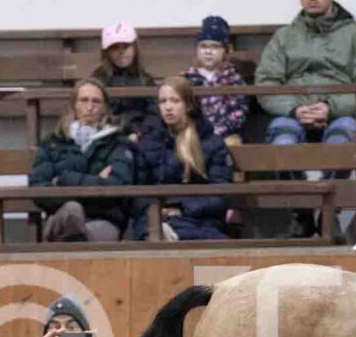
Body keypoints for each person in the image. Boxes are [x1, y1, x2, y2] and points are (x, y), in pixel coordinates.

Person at [257, 0, 356, 149]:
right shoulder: (283, 37)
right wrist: (295, 109)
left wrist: (331, 107)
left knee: (339, 147)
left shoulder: (355, 35)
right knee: (282, 143)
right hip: (292, 115)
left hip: (341, 115)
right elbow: (266, 84)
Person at [127, 77, 236, 241]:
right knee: (149, 232)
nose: (168, 107)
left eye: (175, 101)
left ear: (188, 105)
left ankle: (172, 234)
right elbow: (138, 192)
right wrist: (157, 211)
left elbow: (221, 193)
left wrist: (182, 208)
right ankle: (168, 233)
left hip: (200, 218)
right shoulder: (147, 142)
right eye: (163, 101)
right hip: (156, 218)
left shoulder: (211, 143)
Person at [29, 79, 135, 243]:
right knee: (73, 211)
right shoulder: (53, 142)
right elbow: (38, 188)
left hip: (103, 219)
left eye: (96, 101)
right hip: (61, 216)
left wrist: (63, 180)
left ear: (104, 108)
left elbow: (118, 186)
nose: (90, 107)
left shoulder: (118, 142)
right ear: (74, 105)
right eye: (84, 100)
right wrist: (96, 182)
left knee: (85, 234)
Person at [187, 16, 250, 147]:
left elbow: (239, 111)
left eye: (215, 47)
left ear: (225, 50)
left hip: (226, 134)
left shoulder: (233, 79)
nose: (208, 51)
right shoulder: (188, 79)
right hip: (196, 134)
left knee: (232, 144)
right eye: (203, 46)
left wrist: (219, 130)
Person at [91, 22, 156, 136]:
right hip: (107, 134)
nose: (121, 52)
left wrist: (141, 131)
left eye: (126, 46)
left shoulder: (145, 79)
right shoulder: (98, 79)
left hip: (140, 134)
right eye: (115, 48)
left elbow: (153, 112)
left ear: (134, 48)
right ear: (107, 52)